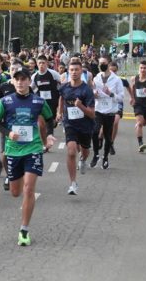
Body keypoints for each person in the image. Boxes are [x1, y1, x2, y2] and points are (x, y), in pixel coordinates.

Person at [0, 67, 54, 247]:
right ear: (13, 81)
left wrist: (48, 135)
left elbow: (50, 119)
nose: (20, 82)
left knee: (28, 189)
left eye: (23, 79)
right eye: (17, 79)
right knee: (15, 192)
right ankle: (12, 182)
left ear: (29, 81)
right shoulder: (5, 101)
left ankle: (24, 229)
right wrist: (8, 132)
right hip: (13, 151)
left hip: (33, 148)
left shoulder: (38, 101)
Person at [57, 60, 95, 195]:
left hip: (85, 125)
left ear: (81, 72)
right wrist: (59, 112)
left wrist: (80, 106)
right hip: (70, 124)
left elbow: (92, 114)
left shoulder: (87, 90)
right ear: (68, 72)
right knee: (72, 151)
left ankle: (83, 160)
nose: (73, 72)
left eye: (76, 70)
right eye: (71, 70)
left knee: (85, 151)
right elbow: (61, 98)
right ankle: (73, 183)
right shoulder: (64, 87)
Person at [90, 57, 124, 169]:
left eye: (103, 63)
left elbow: (121, 97)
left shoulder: (116, 79)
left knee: (107, 136)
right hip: (98, 109)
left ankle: (105, 157)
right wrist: (94, 94)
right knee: (94, 132)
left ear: (108, 64)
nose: (101, 65)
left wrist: (111, 94)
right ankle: (96, 154)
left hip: (110, 111)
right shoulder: (96, 78)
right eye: (100, 63)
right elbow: (93, 91)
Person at [130, 60, 146, 152]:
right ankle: (140, 143)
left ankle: (138, 125)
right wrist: (132, 98)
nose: (143, 70)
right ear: (139, 68)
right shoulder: (134, 78)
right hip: (138, 104)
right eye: (141, 68)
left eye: (145, 68)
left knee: (144, 123)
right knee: (140, 123)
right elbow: (132, 89)